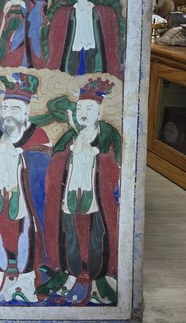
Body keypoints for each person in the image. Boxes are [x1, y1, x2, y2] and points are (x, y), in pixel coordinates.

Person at [0, 73, 51, 303]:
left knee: (26, 237)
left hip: (26, 204)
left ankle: (27, 282)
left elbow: (43, 175)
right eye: (5, 109)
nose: (9, 115)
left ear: (26, 112)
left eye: (15, 109)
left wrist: (19, 158)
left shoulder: (38, 137)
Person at [40, 78, 120, 305]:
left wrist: (96, 155)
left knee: (97, 234)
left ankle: (96, 275)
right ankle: (71, 271)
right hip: (70, 196)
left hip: (97, 199)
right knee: (70, 232)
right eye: (80, 109)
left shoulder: (109, 135)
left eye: (89, 109)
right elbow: (54, 165)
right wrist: (71, 153)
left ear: (100, 111)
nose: (83, 113)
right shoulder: (69, 136)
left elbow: (118, 166)